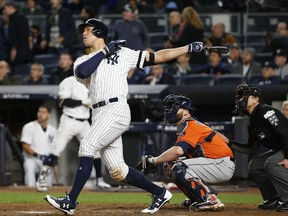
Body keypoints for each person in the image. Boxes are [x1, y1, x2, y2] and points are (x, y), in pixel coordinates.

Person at [44, 18, 204, 215]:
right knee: (117, 171)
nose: (83, 34)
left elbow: (157, 57)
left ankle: (70, 202)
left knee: (87, 145)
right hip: (98, 113)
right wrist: (104, 52)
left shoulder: (123, 54)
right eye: (83, 31)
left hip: (116, 109)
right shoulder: (83, 60)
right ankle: (160, 193)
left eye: (88, 30)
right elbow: (82, 71)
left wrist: (187, 48)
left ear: (100, 33)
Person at [139, 94, 235, 211]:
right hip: (215, 162)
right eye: (168, 107)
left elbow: (178, 151)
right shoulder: (187, 126)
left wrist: (154, 160)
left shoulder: (191, 124)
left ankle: (210, 199)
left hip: (221, 163)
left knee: (175, 166)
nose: (169, 110)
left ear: (186, 111)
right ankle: (198, 198)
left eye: (174, 107)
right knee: (170, 165)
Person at [36, 75, 111, 192]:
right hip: (69, 121)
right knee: (56, 149)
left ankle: (99, 180)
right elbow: (63, 101)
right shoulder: (68, 81)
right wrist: (82, 102)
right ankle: (42, 180)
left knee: (95, 150)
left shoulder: (92, 83)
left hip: (84, 122)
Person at [228, 83, 288, 212]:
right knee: (255, 166)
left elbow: (286, 134)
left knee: (271, 163)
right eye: (239, 97)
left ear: (256, 99)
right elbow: (250, 148)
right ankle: (274, 199)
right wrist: (228, 142)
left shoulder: (266, 111)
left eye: (245, 96)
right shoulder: (252, 120)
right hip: (282, 149)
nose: (240, 99)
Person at [21, 104, 57, 188]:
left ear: (49, 114)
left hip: (46, 159)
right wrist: (37, 155)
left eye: (43, 112)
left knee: (47, 183)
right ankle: (29, 191)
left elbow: (55, 147)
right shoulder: (29, 126)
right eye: (39, 112)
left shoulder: (53, 130)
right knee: (29, 168)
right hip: (32, 158)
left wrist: (53, 158)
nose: (40, 114)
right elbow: (25, 146)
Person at [2, 1, 32, 66]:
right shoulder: (11, 18)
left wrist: (14, 48)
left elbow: (23, 35)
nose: (4, 11)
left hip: (20, 52)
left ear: (11, 7)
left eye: (5, 8)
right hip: (12, 51)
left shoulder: (20, 17)